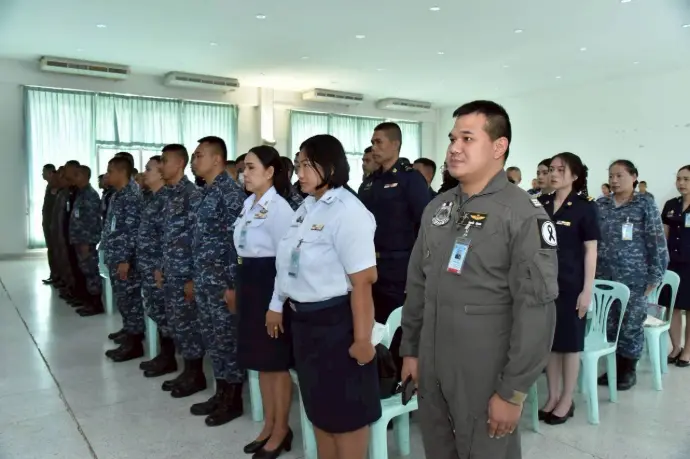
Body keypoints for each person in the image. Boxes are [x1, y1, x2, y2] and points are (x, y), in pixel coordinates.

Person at [401, 100, 558, 459]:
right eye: (452, 138)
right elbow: (418, 285)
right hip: (432, 364)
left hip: (485, 372)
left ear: (499, 146)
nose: (454, 148)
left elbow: (536, 310)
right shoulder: (438, 208)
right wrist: (411, 349)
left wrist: (513, 392)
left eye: (467, 139)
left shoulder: (522, 214)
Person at [274, 134, 380, 459]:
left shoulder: (348, 211)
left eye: (307, 165)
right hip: (306, 325)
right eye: (298, 165)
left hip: (337, 325)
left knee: (346, 414)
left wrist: (362, 340)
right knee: (319, 410)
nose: (300, 173)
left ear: (330, 167)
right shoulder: (307, 207)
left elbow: (363, 282)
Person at [234, 145, 297, 457]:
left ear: (270, 172)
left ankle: (282, 429)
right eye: (243, 168)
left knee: (275, 364)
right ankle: (269, 425)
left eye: (251, 168)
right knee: (260, 363)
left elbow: (285, 263)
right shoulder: (249, 204)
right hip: (249, 285)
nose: (244, 174)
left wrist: (276, 305)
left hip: (270, 288)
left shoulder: (280, 209)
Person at [359, 121, 431, 379]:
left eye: (379, 142)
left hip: (400, 267)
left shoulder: (410, 180)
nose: (374, 147)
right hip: (371, 267)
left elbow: (425, 226)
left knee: (400, 327)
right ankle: (380, 382)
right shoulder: (370, 182)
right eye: (372, 142)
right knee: (374, 328)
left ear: (395, 144)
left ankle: (405, 383)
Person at [187, 136, 246, 426]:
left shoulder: (230, 194)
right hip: (205, 281)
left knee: (227, 340)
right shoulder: (206, 193)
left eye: (199, 155)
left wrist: (233, 286)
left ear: (216, 159)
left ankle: (233, 400)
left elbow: (238, 244)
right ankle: (220, 392)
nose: (194, 160)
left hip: (223, 284)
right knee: (213, 339)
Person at [537, 153, 599, 425]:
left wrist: (587, 290)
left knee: (571, 345)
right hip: (544, 284)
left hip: (572, 284)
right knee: (551, 343)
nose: (553, 174)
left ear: (574, 175)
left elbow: (591, 250)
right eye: (551, 169)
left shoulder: (585, 207)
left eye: (560, 170)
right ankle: (552, 395)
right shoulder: (541, 203)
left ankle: (566, 398)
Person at [596, 160, 668, 390]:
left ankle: (628, 370)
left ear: (634, 176)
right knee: (610, 324)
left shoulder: (644, 204)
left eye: (620, 175)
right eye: (611, 176)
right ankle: (613, 367)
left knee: (631, 324)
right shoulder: (601, 205)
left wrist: (655, 276)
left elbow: (657, 241)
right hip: (605, 277)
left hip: (635, 278)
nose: (614, 180)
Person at [158, 144, 206, 398]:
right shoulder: (169, 195)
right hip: (171, 272)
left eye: (164, 160)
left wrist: (192, 278)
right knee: (178, 323)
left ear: (178, 163)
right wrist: (162, 267)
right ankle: (187, 371)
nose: (161, 165)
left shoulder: (192, 195)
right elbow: (167, 236)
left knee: (189, 325)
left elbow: (199, 240)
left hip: (185, 274)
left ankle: (196, 375)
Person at [136, 156, 177, 378]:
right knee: (158, 312)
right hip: (149, 267)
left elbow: (168, 239)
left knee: (165, 314)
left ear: (161, 173)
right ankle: (164, 355)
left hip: (159, 269)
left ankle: (169, 358)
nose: (145, 173)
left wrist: (161, 268)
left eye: (149, 169)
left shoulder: (166, 200)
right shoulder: (153, 199)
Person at [102, 156, 145, 361]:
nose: (107, 175)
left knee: (130, 300)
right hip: (115, 255)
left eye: (110, 171)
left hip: (125, 259)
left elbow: (132, 231)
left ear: (121, 172)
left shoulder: (132, 196)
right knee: (123, 299)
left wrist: (125, 259)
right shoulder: (117, 195)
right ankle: (129, 332)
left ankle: (134, 343)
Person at [661, 165, 690, 367]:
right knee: (672, 307)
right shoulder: (671, 205)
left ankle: (688, 350)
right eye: (679, 179)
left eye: (686, 179)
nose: (681, 183)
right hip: (672, 264)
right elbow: (664, 235)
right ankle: (676, 347)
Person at [69, 165, 105, 317]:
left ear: (85, 176)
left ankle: (96, 304)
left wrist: (86, 242)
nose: (74, 178)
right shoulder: (81, 193)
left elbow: (91, 221)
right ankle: (89, 301)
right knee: (85, 270)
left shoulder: (90, 195)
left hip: (86, 240)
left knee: (91, 272)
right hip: (79, 239)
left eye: (77, 175)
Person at [42, 164, 58, 284]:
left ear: (50, 173)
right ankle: (53, 274)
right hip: (48, 223)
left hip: (54, 225)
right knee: (51, 250)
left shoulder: (56, 186)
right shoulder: (50, 186)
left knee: (55, 251)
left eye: (44, 172)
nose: (42, 174)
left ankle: (57, 275)